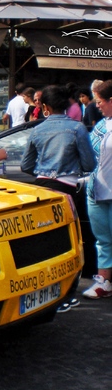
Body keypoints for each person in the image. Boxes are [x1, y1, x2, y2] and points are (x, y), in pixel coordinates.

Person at [20, 85, 97, 311]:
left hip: (42, 188)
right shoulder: (77, 128)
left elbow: (25, 165)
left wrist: (44, 171)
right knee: (67, 245)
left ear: (45, 107)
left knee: (43, 243)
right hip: (66, 189)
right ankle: (65, 295)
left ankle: (41, 296)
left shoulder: (37, 130)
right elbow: (89, 164)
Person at [83, 79, 112, 299]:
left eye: (100, 101)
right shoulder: (102, 125)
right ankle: (104, 281)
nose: (97, 106)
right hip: (97, 191)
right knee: (102, 240)